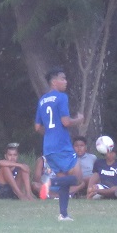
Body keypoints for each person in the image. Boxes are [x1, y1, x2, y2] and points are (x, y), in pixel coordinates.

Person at [33, 67, 85, 221]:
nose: (65, 81)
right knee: (78, 179)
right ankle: (50, 182)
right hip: (62, 146)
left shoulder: (42, 100)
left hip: (48, 147)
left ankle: (63, 214)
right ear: (54, 82)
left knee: (65, 182)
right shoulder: (61, 97)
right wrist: (79, 120)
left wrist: (49, 134)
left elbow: (37, 127)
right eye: (63, 78)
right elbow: (66, 121)